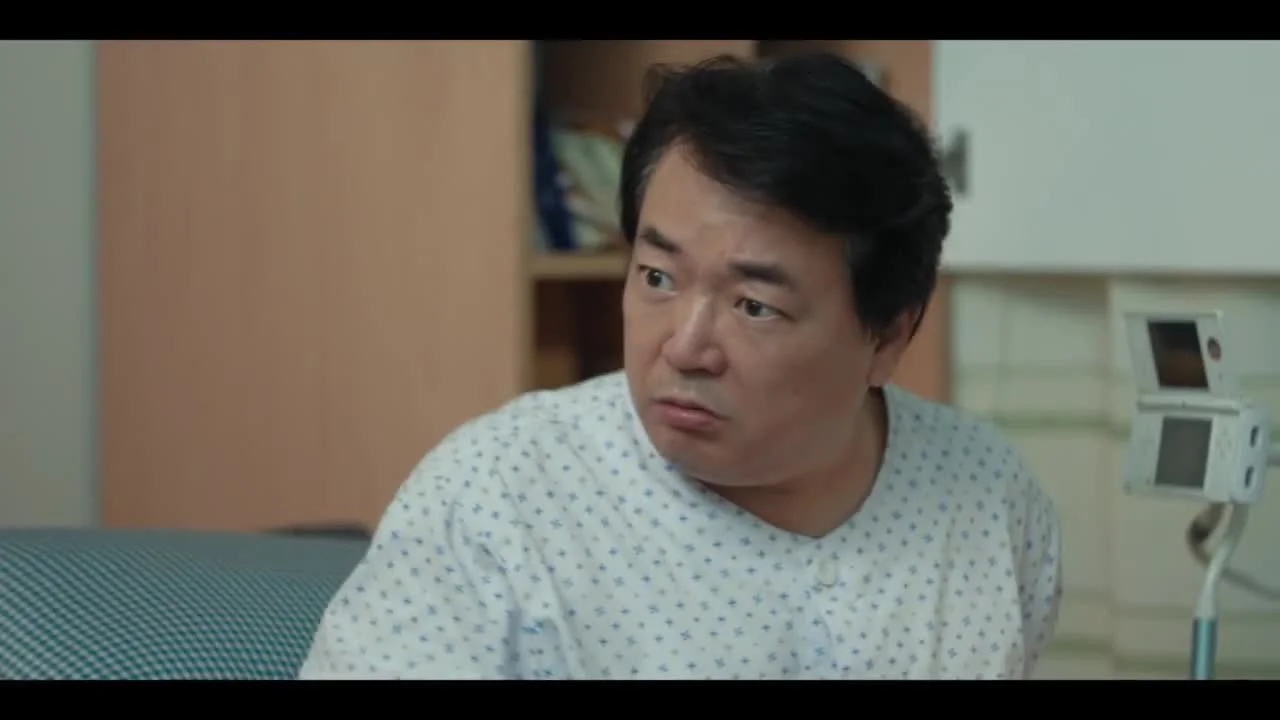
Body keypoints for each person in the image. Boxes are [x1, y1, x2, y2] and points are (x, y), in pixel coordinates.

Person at [298, 51, 1063, 680]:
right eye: (658, 277)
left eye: (754, 306)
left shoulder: (987, 499)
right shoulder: (497, 496)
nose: (685, 346)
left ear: (888, 336)